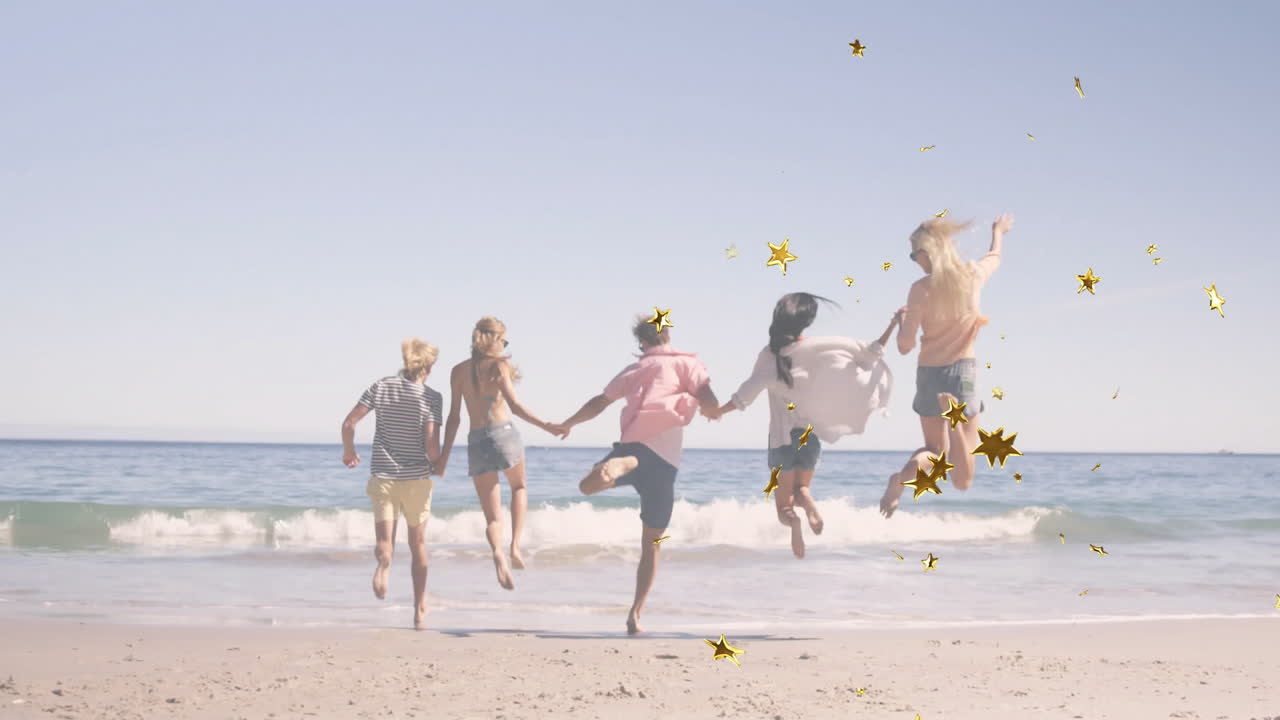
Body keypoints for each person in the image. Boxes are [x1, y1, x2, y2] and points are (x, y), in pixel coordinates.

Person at [557, 314, 719, 635]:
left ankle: (619, 466)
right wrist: (713, 408)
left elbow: (600, 402)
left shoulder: (635, 369)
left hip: (632, 449)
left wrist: (569, 423)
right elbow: (706, 392)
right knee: (652, 544)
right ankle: (635, 613)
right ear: (668, 335)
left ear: (642, 342)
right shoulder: (687, 364)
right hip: (664, 463)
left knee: (586, 487)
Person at [707, 293, 899, 558]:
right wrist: (893, 324)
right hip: (810, 436)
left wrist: (719, 411)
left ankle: (795, 522)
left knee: (783, 508)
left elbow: (744, 396)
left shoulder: (770, 355)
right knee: (802, 489)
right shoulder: (821, 350)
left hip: (781, 439)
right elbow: (870, 353)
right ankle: (808, 503)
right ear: (806, 322)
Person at [880, 213, 1014, 518]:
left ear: (929, 252)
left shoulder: (919, 290)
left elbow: (904, 346)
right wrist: (998, 231)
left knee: (933, 452)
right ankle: (955, 423)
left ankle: (900, 479)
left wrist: (902, 323)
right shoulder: (972, 275)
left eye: (915, 254)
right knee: (963, 481)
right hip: (961, 374)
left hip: (928, 375)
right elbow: (994, 257)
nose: (914, 260)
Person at [437, 316, 566, 591]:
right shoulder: (499, 365)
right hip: (503, 433)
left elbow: (454, 418)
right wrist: (547, 426)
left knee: (493, 518)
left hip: (476, 441)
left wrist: (443, 458)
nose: (504, 345)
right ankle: (515, 547)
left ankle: (496, 551)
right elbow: (515, 406)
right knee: (519, 488)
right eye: (503, 340)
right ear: (494, 339)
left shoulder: (457, 371)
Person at [340, 338, 444, 630]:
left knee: (385, 543)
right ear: (430, 366)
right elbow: (431, 447)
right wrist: (441, 460)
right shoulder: (432, 398)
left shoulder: (381, 386)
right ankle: (419, 607)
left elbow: (349, 424)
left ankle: (383, 564)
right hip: (416, 481)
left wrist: (349, 452)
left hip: (383, 477)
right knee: (418, 544)